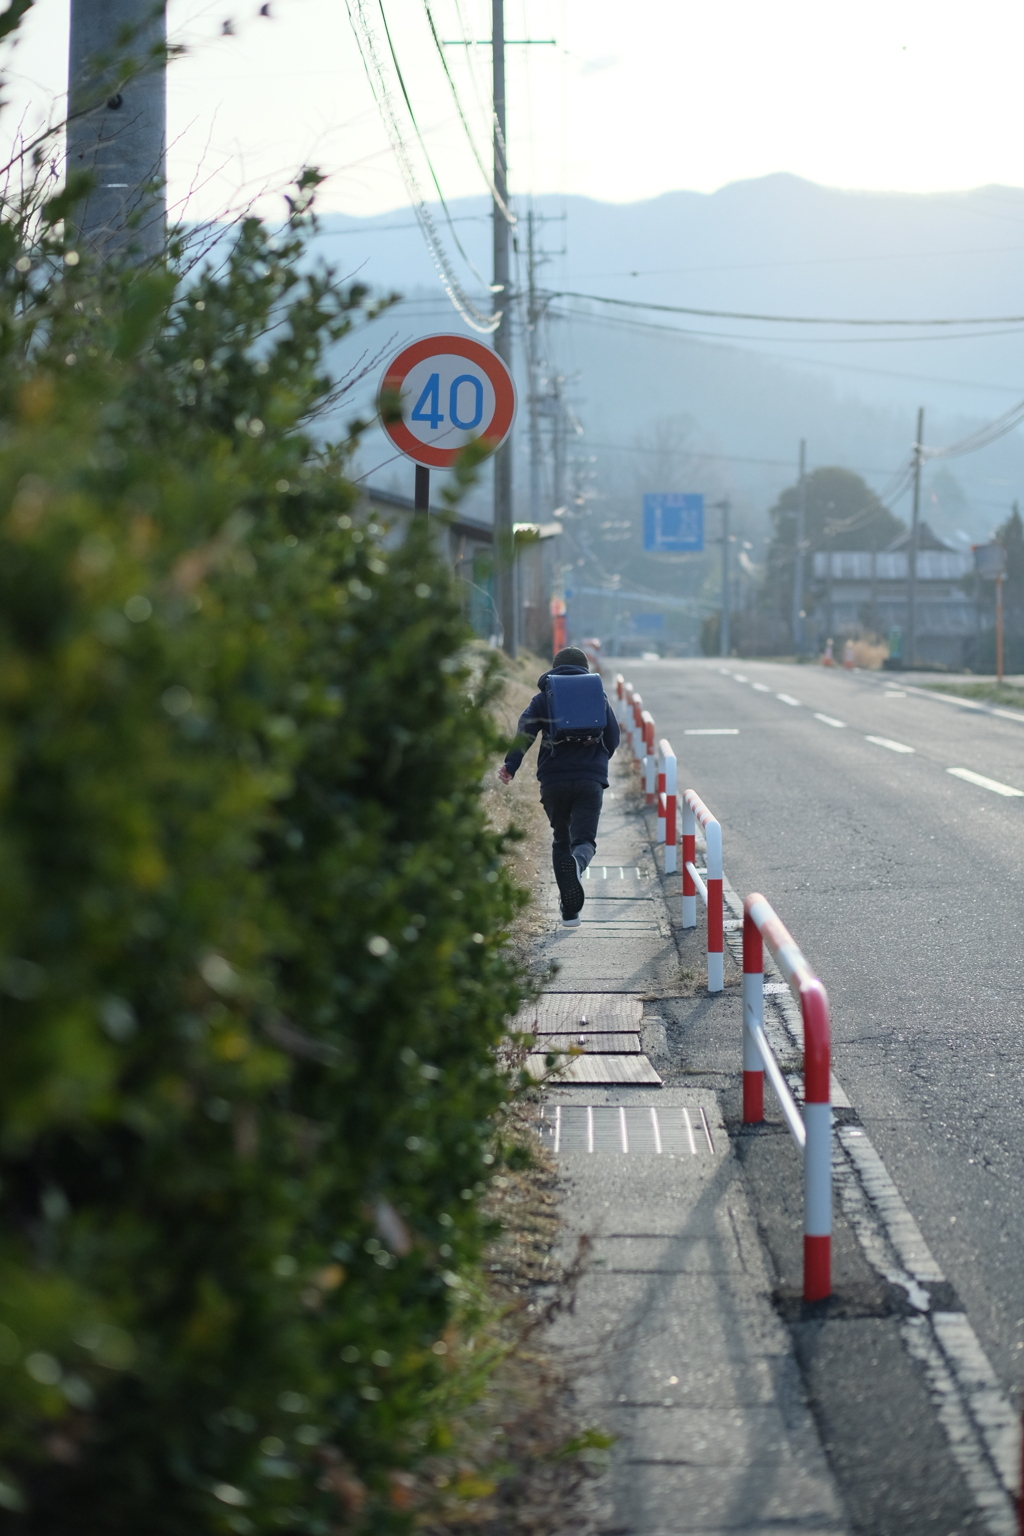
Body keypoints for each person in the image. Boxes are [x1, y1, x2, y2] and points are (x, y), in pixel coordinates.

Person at [498, 647, 619, 927]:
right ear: (584, 670)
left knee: (560, 839)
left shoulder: (543, 698)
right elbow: (613, 736)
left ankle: (569, 913)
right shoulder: (596, 696)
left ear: (555, 668)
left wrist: (510, 766)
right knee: (584, 841)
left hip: (553, 781)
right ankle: (577, 864)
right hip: (590, 780)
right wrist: (596, 763)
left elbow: (524, 732)